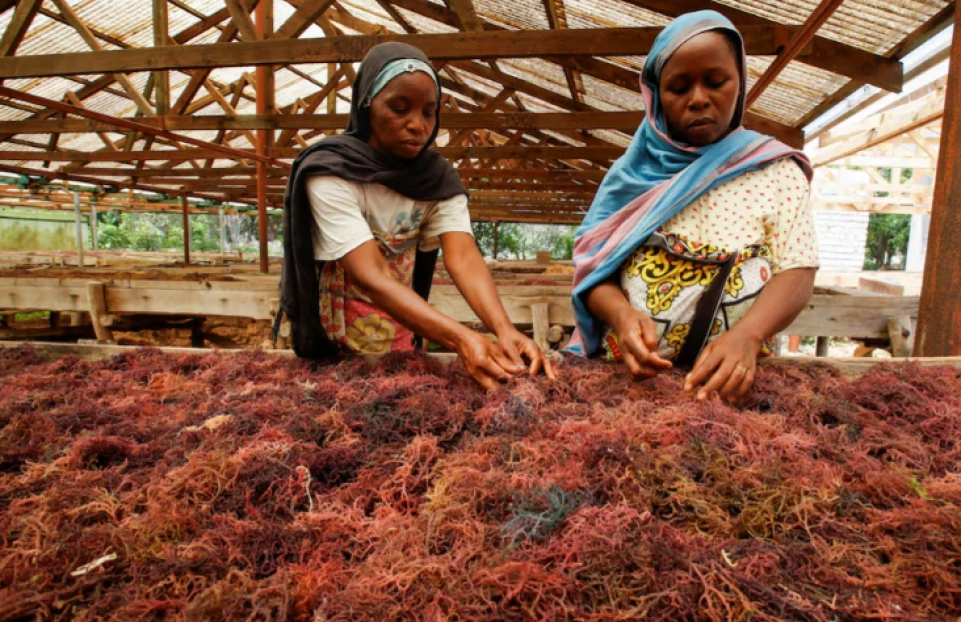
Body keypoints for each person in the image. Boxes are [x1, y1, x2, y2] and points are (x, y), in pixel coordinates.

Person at [567, 10, 818, 403]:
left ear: (739, 83)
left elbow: (798, 268)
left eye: (716, 82)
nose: (699, 99)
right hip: (630, 383)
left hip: (735, 385)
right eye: (678, 88)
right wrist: (620, 315)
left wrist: (747, 336)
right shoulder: (630, 177)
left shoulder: (775, 170)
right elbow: (593, 270)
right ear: (656, 95)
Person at [277, 42, 554, 390]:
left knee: (400, 393)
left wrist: (504, 328)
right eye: (399, 108)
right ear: (367, 106)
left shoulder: (437, 180)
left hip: (403, 323)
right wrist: (460, 339)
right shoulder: (331, 172)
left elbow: (464, 258)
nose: (417, 124)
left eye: (428, 112)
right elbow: (371, 274)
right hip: (336, 337)